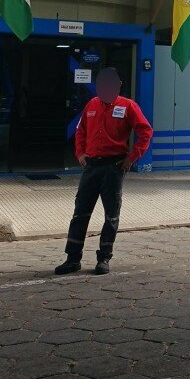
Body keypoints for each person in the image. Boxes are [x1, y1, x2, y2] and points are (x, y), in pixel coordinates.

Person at [55, 67, 152, 275]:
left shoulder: (128, 106)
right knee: (80, 213)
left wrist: (132, 157)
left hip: (114, 167)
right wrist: (80, 153)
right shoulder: (91, 105)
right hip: (91, 167)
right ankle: (72, 258)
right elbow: (81, 131)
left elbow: (145, 131)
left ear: (118, 85)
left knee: (111, 216)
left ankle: (104, 258)